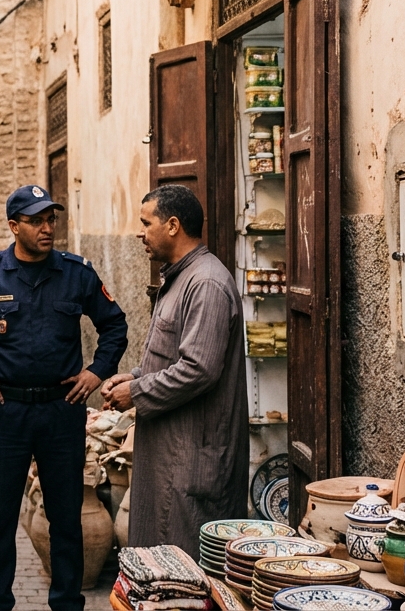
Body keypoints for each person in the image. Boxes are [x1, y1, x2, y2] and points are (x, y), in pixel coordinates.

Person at [0, 184, 128, 611]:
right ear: (13, 226)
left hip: (62, 412)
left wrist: (97, 372)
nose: (48, 228)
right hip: (5, 411)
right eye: (37, 220)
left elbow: (114, 325)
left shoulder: (77, 273)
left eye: (51, 219)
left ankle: (66, 603)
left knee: (66, 518)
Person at [101, 184, 248, 560]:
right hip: (169, 452)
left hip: (190, 460)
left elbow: (198, 369)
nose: (139, 233)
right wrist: (135, 377)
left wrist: (136, 393)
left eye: (145, 223)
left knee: (182, 572)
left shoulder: (207, 283)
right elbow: (172, 356)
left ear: (172, 225)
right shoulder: (180, 277)